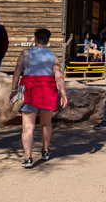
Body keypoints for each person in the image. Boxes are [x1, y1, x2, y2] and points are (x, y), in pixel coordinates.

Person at [10, 28, 68, 168]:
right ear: (48, 41)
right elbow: (58, 76)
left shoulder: (26, 53)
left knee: (28, 127)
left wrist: (13, 90)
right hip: (47, 91)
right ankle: (45, 151)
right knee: (46, 124)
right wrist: (64, 94)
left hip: (30, 90)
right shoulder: (52, 55)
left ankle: (28, 158)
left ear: (35, 39)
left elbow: (17, 72)